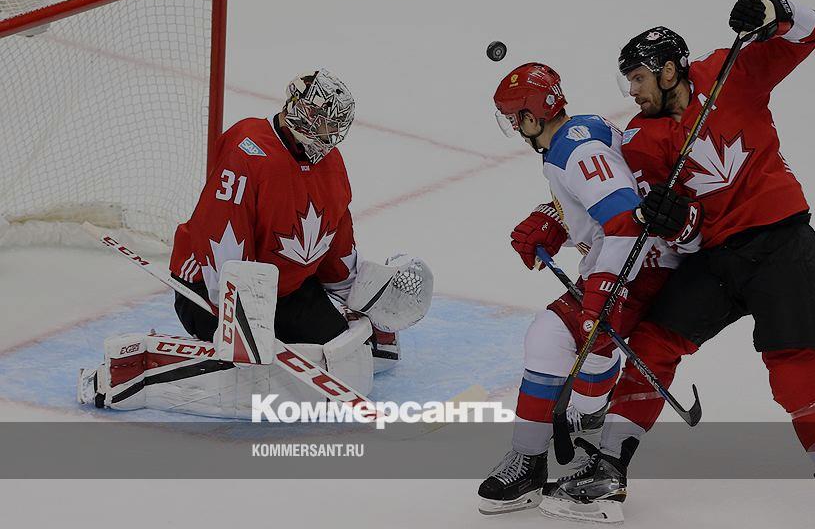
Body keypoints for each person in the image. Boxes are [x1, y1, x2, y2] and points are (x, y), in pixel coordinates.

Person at [540, 0, 815, 529]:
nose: (632, 92)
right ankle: (608, 470)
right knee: (651, 346)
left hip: (781, 245)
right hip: (716, 258)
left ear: (669, 70)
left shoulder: (729, 71)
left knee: (793, 372)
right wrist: (669, 222)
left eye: (638, 79)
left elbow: (810, 32)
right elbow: (648, 215)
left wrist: (776, 9)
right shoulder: (641, 139)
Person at [76, 68, 420, 417]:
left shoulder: (331, 164)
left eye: (335, 126)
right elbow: (222, 235)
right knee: (251, 370)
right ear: (302, 112)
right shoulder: (248, 148)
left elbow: (337, 238)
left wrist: (358, 298)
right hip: (212, 288)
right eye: (324, 124)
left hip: (286, 290)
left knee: (334, 351)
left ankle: (352, 338)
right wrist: (239, 312)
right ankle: (137, 370)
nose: (330, 135)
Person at [477, 62, 693, 515]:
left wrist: (604, 288)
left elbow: (625, 221)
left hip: (638, 268)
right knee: (589, 342)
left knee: (550, 337)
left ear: (532, 116)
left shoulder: (574, 152)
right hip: (648, 262)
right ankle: (590, 419)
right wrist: (554, 218)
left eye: (515, 118)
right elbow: (606, 197)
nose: (514, 127)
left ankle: (529, 463)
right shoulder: (584, 130)